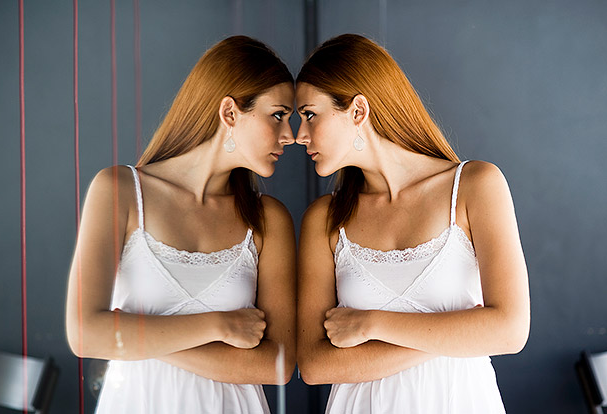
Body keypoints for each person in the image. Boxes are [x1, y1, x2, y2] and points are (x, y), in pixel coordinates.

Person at [295, 34, 530, 413]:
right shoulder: (324, 219)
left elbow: (509, 330)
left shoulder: (475, 186)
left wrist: (371, 324)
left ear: (357, 111)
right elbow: (315, 365)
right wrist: (459, 331)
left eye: (309, 114)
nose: (298, 135)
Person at [65, 36, 296, 414]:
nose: (290, 135)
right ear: (229, 112)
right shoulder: (119, 191)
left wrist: (136, 335)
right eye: (278, 115)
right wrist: (219, 326)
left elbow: (278, 364)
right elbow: (86, 334)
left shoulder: (269, 219)